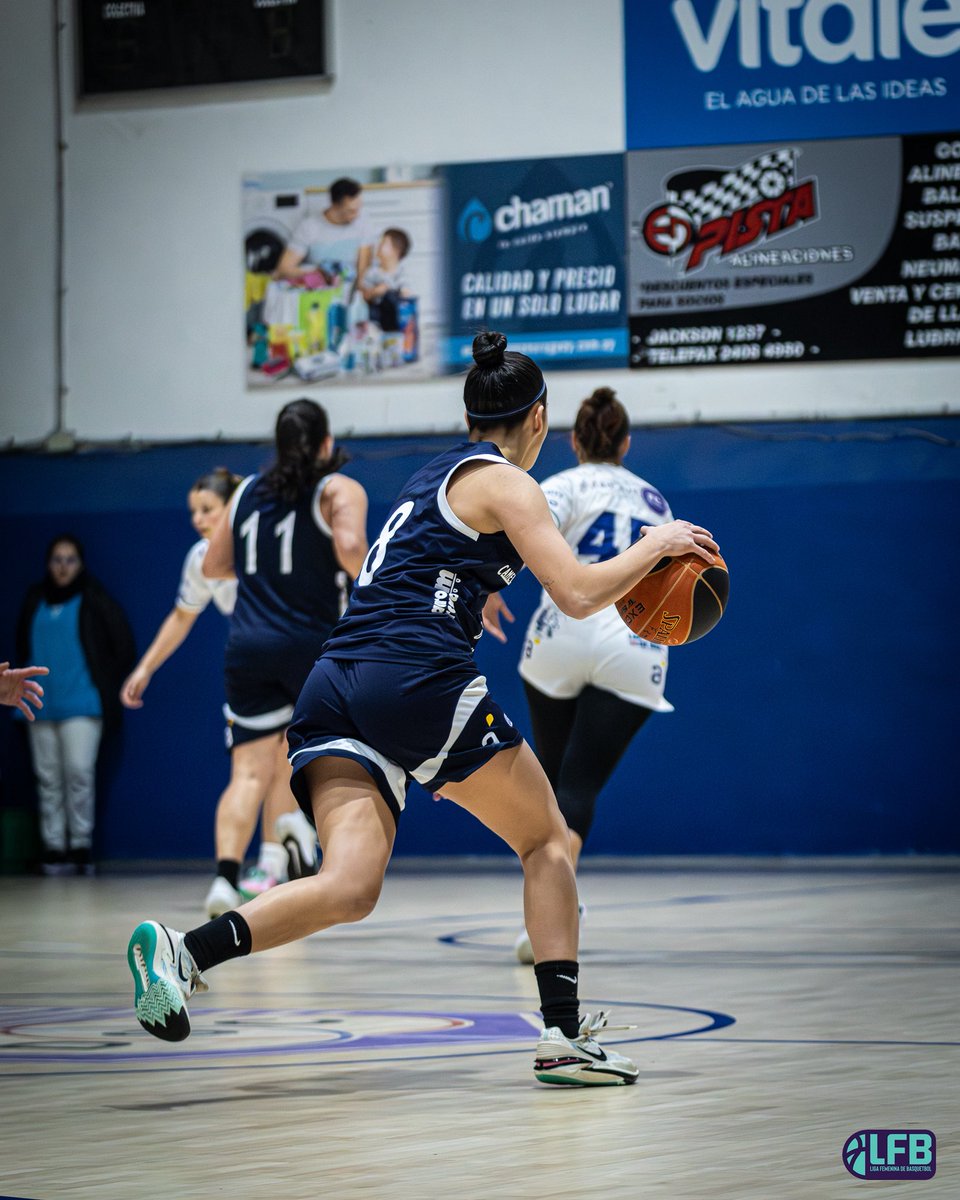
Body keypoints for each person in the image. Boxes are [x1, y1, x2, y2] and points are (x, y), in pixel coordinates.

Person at [126, 332, 717, 1087]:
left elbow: (424, 561)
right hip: (414, 675)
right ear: (538, 420)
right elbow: (573, 593)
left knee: (350, 887)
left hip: (333, 680)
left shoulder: (428, 478)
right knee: (548, 840)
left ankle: (183, 951)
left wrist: (480, 588)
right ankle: (564, 1037)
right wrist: (659, 543)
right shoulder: (508, 482)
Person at [502, 387, 677, 964]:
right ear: (625, 443)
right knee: (579, 787)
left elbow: (512, 537)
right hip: (633, 640)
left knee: (549, 786)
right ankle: (557, 911)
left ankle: (548, 904)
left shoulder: (559, 485)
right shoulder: (655, 500)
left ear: (574, 441)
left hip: (560, 633)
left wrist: (484, 592)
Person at [193, 400, 368, 914]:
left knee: (248, 772)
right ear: (325, 443)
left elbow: (212, 565)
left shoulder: (246, 491)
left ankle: (227, 879)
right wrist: (363, 578)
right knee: (330, 754)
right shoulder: (334, 489)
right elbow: (354, 547)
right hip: (312, 644)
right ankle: (306, 845)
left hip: (247, 645)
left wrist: (263, 575)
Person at [119, 468, 319, 916]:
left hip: (261, 654)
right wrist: (145, 667)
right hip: (287, 654)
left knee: (269, 764)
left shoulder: (246, 543)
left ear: (233, 506)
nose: (197, 518)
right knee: (265, 766)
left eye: (207, 509)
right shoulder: (204, 557)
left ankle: (253, 871)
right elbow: (181, 616)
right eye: (192, 511)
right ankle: (244, 873)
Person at [16, 536, 136, 875]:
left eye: (70, 559)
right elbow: (22, 643)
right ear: (48, 563)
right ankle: (54, 847)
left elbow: (123, 645)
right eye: (57, 559)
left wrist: (104, 681)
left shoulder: (94, 599)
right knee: (47, 778)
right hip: (38, 703)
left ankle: (80, 845)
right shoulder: (34, 599)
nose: (63, 566)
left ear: (80, 563)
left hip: (83, 704)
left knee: (79, 774)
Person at [274, 177, 375, 291]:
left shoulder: (363, 223)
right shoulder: (310, 227)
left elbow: (364, 271)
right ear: (335, 205)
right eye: (351, 211)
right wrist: (316, 273)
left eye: (358, 208)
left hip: (350, 289)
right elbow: (284, 268)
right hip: (320, 289)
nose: (357, 215)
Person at [359, 227, 411, 331]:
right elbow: (365, 295)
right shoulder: (372, 273)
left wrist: (400, 293)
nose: (378, 246)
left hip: (395, 316)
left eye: (383, 243)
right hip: (376, 315)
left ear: (396, 251)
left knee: (392, 297)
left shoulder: (401, 273)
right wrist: (375, 291)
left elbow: (406, 294)